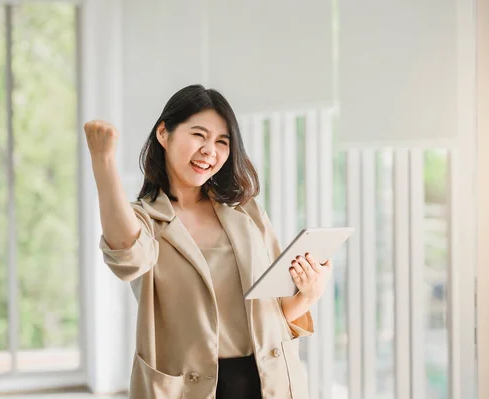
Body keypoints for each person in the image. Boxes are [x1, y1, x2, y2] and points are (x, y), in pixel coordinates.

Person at [84, 84, 332, 399]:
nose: (209, 150)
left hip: (269, 383)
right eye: (199, 135)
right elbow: (127, 258)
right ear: (164, 133)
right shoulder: (144, 220)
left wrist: (310, 294)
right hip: (188, 389)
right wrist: (103, 163)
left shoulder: (247, 212)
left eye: (222, 141)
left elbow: (277, 313)